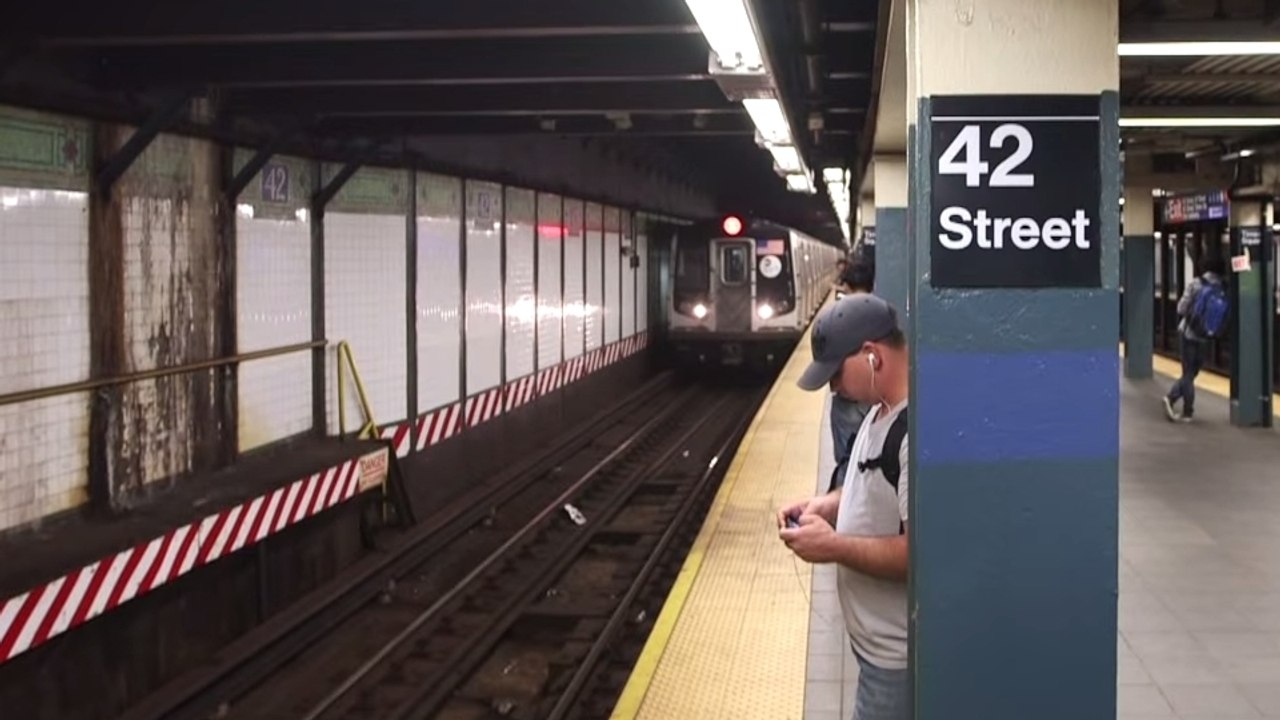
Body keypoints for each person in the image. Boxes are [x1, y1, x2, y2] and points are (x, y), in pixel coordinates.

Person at [777, 294, 910, 720]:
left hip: (895, 659)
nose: (833, 387)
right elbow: (873, 485)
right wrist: (827, 504)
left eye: (835, 373)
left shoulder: (914, 435)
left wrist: (833, 546)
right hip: (872, 646)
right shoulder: (877, 411)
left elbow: (918, 555)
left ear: (871, 356)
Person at [829, 260, 875, 490]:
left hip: (847, 401)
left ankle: (844, 509)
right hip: (876, 399)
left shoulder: (837, 317)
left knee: (847, 459)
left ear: (846, 286)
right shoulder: (883, 313)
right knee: (872, 457)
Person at [1164, 256, 1227, 423]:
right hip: (1206, 335)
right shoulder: (1223, 287)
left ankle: (1180, 406)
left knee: (1187, 373)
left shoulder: (1196, 284)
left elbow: (1181, 308)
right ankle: (1179, 404)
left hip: (1188, 333)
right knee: (1192, 373)